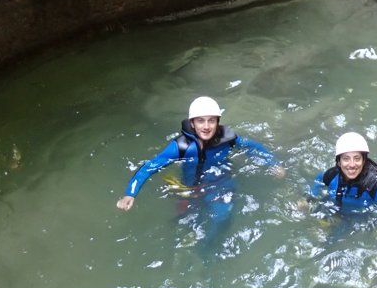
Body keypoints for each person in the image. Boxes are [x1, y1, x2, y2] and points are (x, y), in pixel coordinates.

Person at [116, 96, 282, 224]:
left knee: (222, 218)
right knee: (184, 221)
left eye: (211, 120)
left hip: (219, 183)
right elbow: (149, 168)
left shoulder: (228, 139)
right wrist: (130, 194)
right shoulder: (180, 148)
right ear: (192, 123)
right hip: (188, 187)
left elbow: (253, 147)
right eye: (200, 120)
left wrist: (273, 164)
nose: (206, 126)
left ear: (217, 122)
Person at [309, 132, 377, 239]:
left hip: (365, 220)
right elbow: (319, 180)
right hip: (337, 213)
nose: (352, 165)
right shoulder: (331, 175)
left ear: (364, 161)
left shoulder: (376, 185)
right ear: (339, 162)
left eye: (357, 158)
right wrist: (309, 198)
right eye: (346, 159)